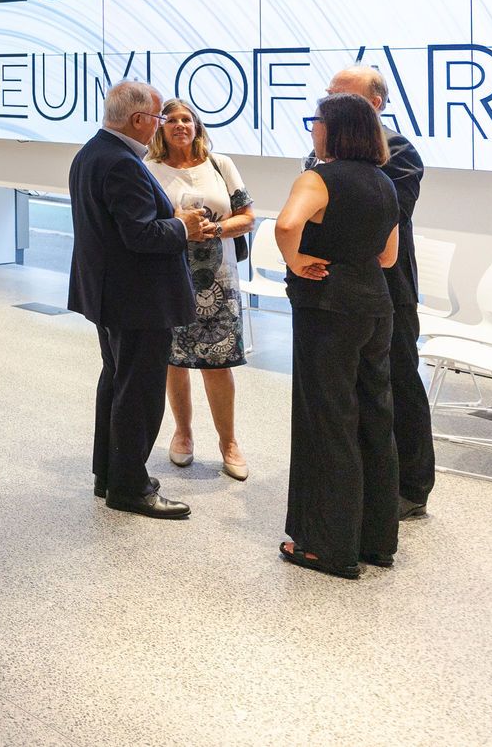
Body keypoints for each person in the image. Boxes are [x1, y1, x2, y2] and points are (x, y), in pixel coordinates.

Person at [68, 81, 214, 520]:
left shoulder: (90, 153)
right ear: (138, 120)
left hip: (110, 294)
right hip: (138, 298)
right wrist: (183, 227)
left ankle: (108, 474)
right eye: (158, 119)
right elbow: (141, 234)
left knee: (116, 381)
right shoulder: (121, 163)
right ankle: (130, 486)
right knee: (140, 392)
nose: (161, 127)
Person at [278, 93, 401, 579]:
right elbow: (387, 258)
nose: (313, 129)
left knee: (327, 421)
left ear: (334, 129)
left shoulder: (318, 177)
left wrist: (295, 261)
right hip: (375, 307)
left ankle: (329, 547)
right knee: (374, 419)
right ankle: (377, 541)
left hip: (327, 308)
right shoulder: (385, 183)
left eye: (317, 122)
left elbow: (287, 224)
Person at [319, 65, 434, 519]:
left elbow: (382, 216)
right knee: (356, 389)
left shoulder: (399, 151)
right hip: (343, 290)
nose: (327, 104)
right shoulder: (323, 153)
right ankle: (369, 478)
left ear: (374, 104)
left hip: (389, 288)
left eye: (338, 96)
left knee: (399, 383)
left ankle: (412, 486)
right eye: (328, 94)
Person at [147, 99, 255, 480]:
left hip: (219, 280)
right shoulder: (149, 169)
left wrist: (218, 229)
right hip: (170, 275)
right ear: (160, 128)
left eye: (187, 119)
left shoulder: (219, 164)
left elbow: (247, 216)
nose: (180, 125)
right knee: (174, 360)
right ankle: (183, 434)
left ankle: (229, 442)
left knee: (219, 362)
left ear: (197, 126)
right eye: (172, 120)